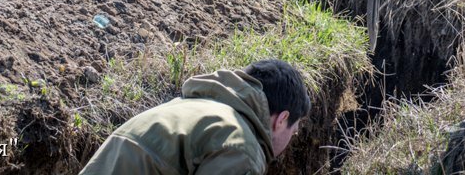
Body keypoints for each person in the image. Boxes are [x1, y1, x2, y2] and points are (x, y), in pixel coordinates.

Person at [79, 59, 310, 175]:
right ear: (282, 120)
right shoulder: (242, 146)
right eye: (294, 129)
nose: (292, 137)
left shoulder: (187, 107)